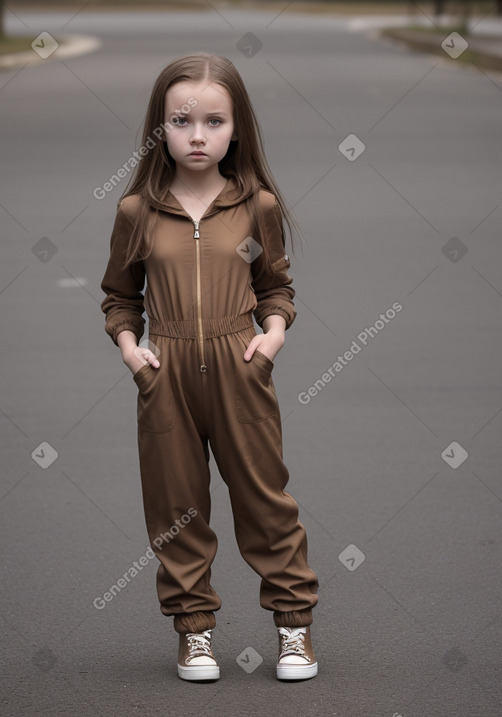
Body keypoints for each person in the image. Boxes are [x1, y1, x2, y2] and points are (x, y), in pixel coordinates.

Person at [100, 52, 319, 682]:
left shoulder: (256, 208)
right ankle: (194, 631)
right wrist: (130, 348)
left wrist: (271, 337)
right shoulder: (137, 213)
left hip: (239, 367)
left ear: (237, 129)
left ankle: (293, 627)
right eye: (181, 121)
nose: (198, 135)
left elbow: (274, 284)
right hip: (163, 373)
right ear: (159, 128)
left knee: (264, 501)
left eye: (214, 121)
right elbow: (120, 295)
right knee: (176, 509)